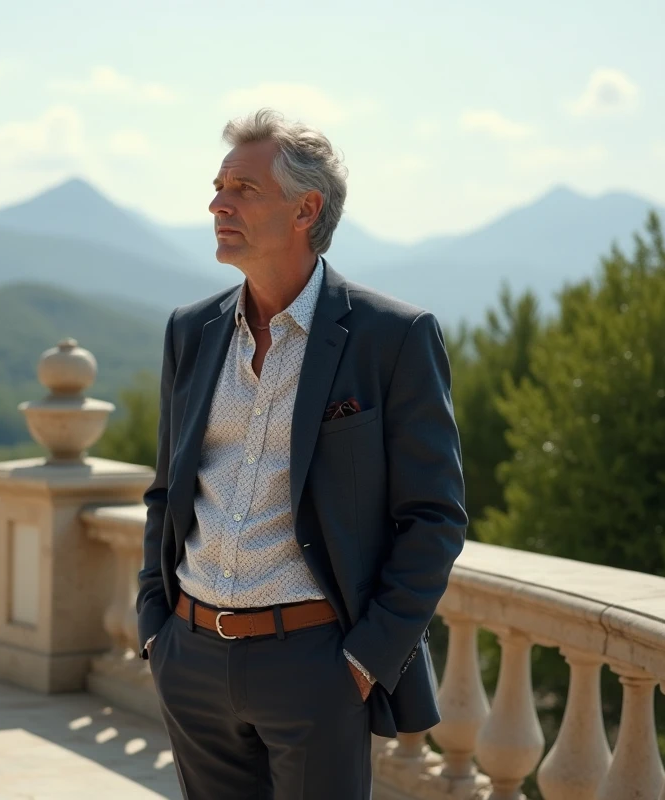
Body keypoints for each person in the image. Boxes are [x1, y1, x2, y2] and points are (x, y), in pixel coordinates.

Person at [135, 108, 468, 798]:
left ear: (305, 208)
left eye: (244, 189)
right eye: (219, 184)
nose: (217, 202)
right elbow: (167, 492)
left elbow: (435, 517)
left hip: (316, 667)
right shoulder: (190, 331)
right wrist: (155, 630)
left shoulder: (393, 338)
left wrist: (364, 660)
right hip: (190, 656)